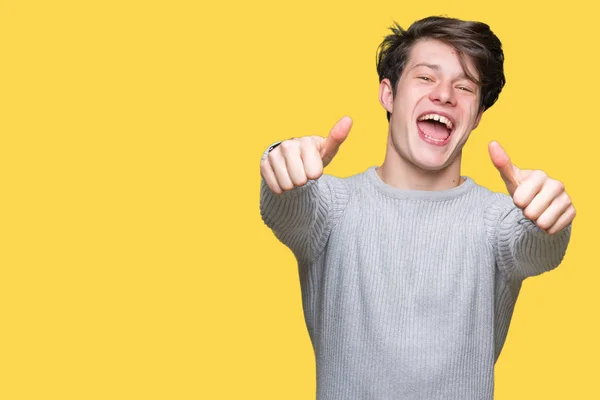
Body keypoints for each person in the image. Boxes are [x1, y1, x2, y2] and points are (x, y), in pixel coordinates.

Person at [259, 15, 575, 400]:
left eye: (464, 86)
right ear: (388, 94)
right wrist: (280, 159)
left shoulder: (498, 221)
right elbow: (288, 205)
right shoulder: (331, 207)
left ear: (476, 117)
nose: (444, 94)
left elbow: (536, 244)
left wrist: (549, 219)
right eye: (426, 77)